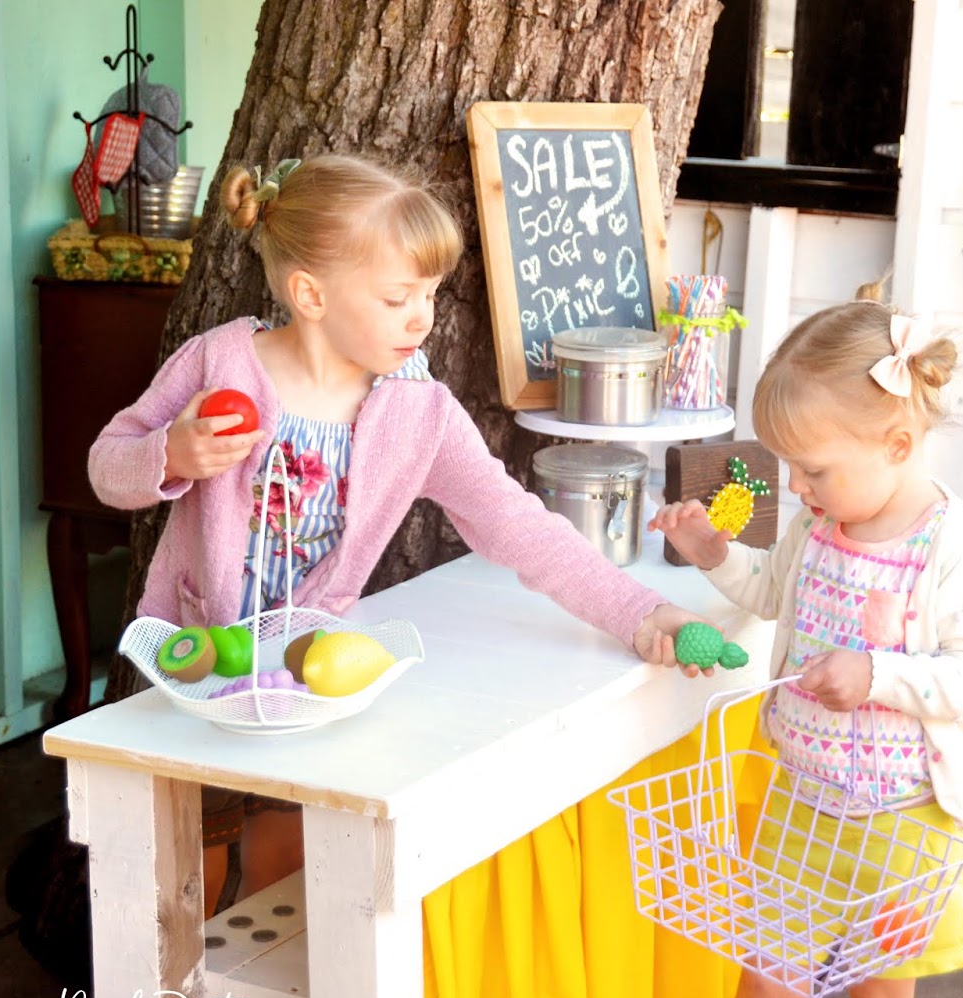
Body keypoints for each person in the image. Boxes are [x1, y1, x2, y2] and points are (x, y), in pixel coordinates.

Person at [89, 154, 710, 918]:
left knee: (286, 862)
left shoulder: (419, 414)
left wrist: (641, 613)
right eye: (397, 297)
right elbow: (106, 468)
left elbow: (517, 524)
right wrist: (170, 456)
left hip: (308, 682)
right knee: (185, 873)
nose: (423, 317)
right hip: (192, 673)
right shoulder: (221, 362)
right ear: (310, 294)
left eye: (430, 293)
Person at [648, 301, 963, 998]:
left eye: (814, 470)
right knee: (763, 991)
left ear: (898, 444)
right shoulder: (816, 530)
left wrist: (879, 675)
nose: (797, 486)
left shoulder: (960, 552)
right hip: (800, 812)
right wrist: (712, 551)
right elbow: (767, 593)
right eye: (790, 468)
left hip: (903, 825)